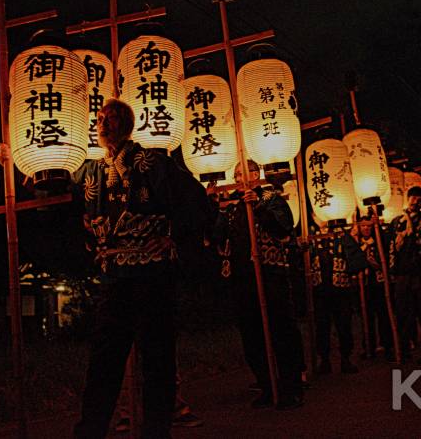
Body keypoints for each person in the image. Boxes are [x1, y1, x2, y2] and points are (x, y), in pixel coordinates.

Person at [73, 99, 209, 439]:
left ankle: (156, 432)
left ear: (128, 124)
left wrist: (174, 236)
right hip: (115, 276)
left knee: (158, 360)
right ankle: (90, 431)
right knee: (104, 361)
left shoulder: (154, 163)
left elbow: (198, 201)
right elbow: (55, 178)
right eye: (100, 118)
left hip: (153, 274)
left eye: (113, 118)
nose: (104, 123)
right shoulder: (92, 169)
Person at [211, 161, 305, 409]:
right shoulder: (230, 207)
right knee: (252, 335)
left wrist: (260, 208)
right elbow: (216, 237)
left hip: (270, 272)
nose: (243, 178)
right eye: (238, 174)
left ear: (257, 175)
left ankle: (291, 385)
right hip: (243, 277)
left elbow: (284, 227)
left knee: (281, 330)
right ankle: (266, 384)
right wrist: (213, 208)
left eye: (248, 173)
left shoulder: (271, 197)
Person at [386, 185, 421, 363]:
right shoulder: (396, 222)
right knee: (403, 312)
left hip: (420, 275)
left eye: (420, 200)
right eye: (413, 197)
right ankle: (403, 347)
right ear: (408, 197)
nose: (415, 201)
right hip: (402, 275)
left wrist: (418, 257)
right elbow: (387, 244)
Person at [310, 217, 367, 374]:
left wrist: (348, 268)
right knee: (322, 326)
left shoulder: (342, 236)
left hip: (340, 290)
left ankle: (345, 359)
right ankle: (324, 360)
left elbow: (358, 259)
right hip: (320, 290)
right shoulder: (311, 237)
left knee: (344, 325)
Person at [353, 212, 394, 360]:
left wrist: (378, 227)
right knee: (366, 318)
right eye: (362, 225)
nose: (365, 228)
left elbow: (385, 241)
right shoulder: (356, 243)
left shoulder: (378, 241)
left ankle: (388, 345)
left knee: (383, 316)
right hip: (364, 285)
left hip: (379, 283)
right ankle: (368, 347)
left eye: (368, 225)